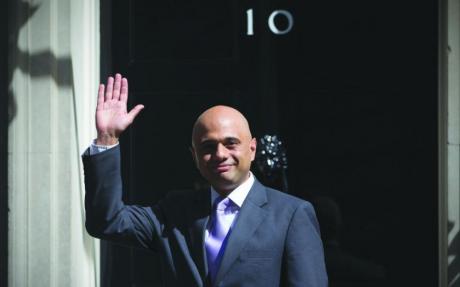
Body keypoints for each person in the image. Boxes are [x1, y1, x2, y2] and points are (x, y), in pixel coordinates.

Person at [83, 73, 328, 287]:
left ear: (252, 149)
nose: (220, 154)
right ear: (195, 156)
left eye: (231, 143)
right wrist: (107, 138)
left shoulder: (291, 214)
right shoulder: (175, 211)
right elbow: (107, 222)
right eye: (208, 147)